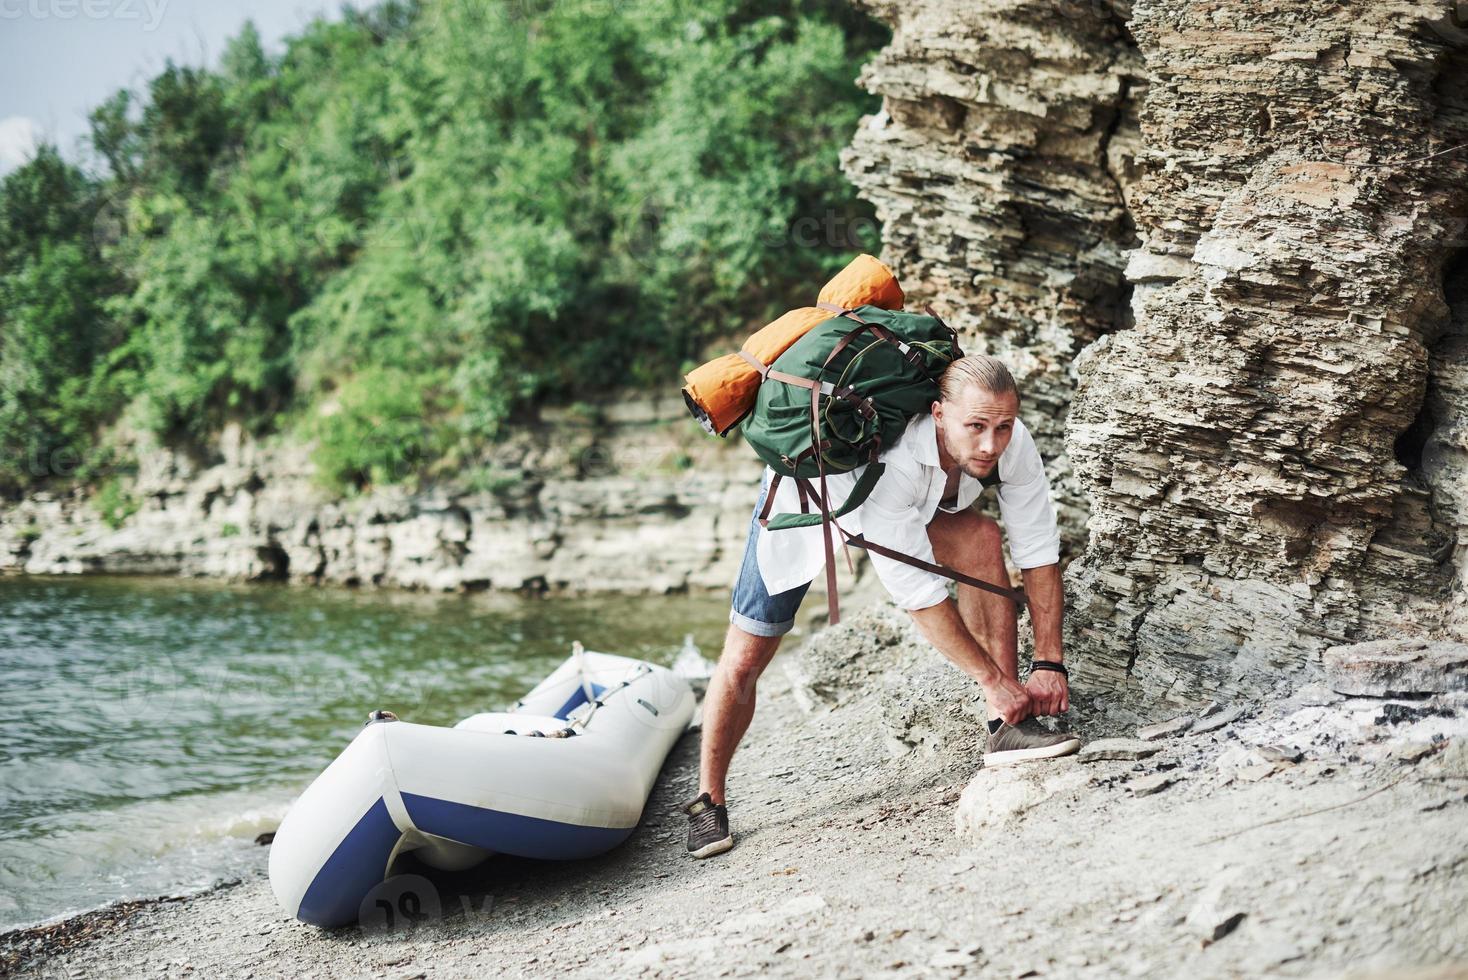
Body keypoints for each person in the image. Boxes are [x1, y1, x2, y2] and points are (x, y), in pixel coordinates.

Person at [678, 354, 1082, 859]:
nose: (990, 444)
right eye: (975, 426)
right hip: (810, 502)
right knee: (745, 657)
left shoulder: (1010, 442)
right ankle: (707, 800)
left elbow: (1039, 552)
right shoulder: (897, 463)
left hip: (915, 500)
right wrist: (994, 681)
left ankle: (1006, 728)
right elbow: (917, 595)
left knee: (980, 537)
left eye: (1002, 427)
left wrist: (1049, 661)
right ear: (938, 414)